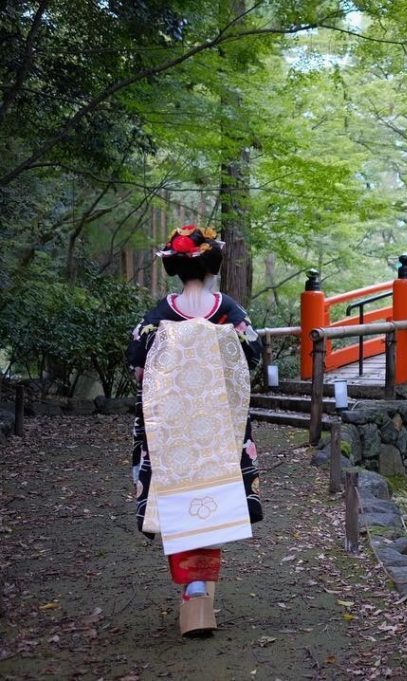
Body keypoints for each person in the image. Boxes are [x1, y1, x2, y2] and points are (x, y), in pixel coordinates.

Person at [127, 224, 263, 636]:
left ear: (175, 268)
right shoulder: (230, 311)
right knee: (214, 495)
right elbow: (252, 357)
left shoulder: (159, 314)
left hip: (170, 424)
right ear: (211, 267)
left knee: (177, 498)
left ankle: (192, 589)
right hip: (218, 421)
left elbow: (137, 366)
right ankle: (205, 595)